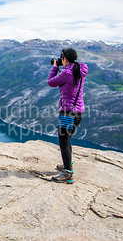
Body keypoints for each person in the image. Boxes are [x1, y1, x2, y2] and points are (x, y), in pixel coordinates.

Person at [47, 48, 88, 184]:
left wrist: (54, 67)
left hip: (68, 113)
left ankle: (68, 174)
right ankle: (67, 165)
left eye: (61, 59)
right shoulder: (79, 70)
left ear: (64, 59)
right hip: (78, 112)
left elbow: (51, 82)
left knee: (63, 141)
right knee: (67, 139)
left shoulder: (67, 72)